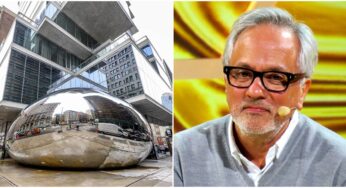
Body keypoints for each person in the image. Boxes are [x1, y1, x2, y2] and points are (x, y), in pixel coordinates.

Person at [174, 7, 346, 186]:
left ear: (302, 91)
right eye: (242, 74)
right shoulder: (182, 153)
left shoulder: (340, 163)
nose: (254, 91)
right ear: (226, 82)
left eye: (275, 77)